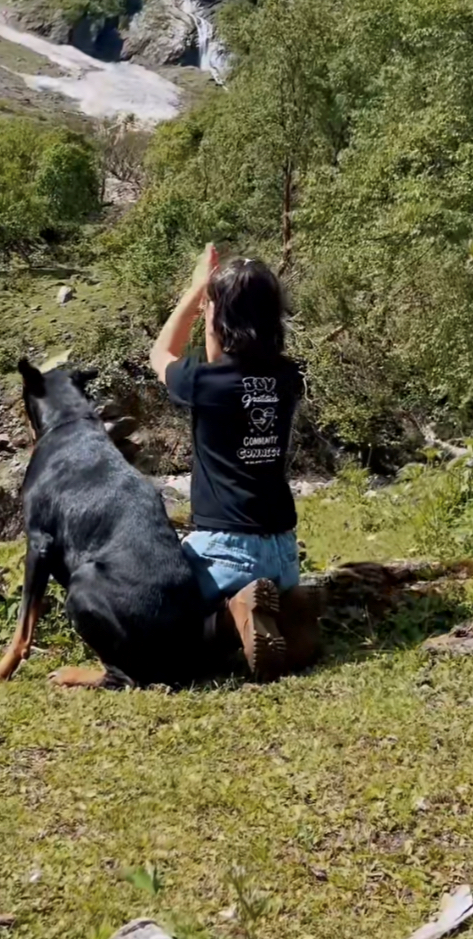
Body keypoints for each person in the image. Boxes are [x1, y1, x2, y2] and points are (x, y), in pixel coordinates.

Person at [150, 245, 319, 680]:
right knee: (261, 582)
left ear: (218, 319)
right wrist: (214, 309)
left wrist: (194, 292)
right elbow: (229, 366)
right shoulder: (288, 377)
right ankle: (287, 607)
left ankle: (233, 618)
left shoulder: (205, 382)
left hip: (226, 550)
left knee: (160, 618)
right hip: (282, 552)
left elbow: (159, 354)